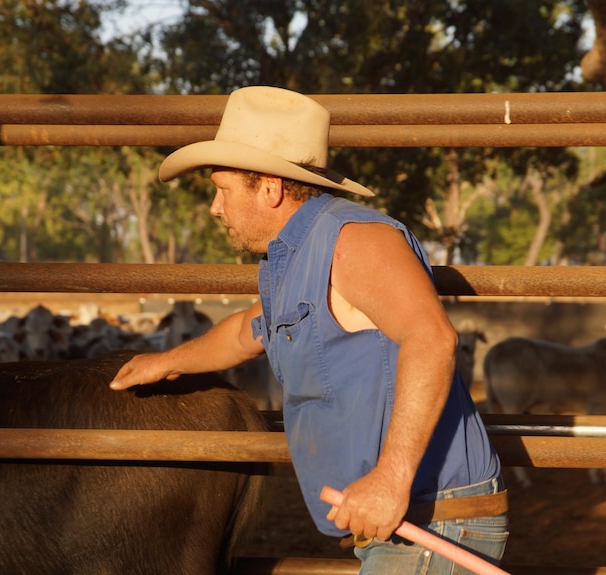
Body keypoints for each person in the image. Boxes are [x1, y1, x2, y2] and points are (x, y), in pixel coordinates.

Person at [109, 86, 508, 574]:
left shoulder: (354, 240)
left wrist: (391, 476)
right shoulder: (293, 258)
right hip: (402, 522)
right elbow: (244, 332)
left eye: (223, 189)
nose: (215, 207)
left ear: (270, 189)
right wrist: (165, 363)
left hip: (432, 518)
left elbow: (432, 339)